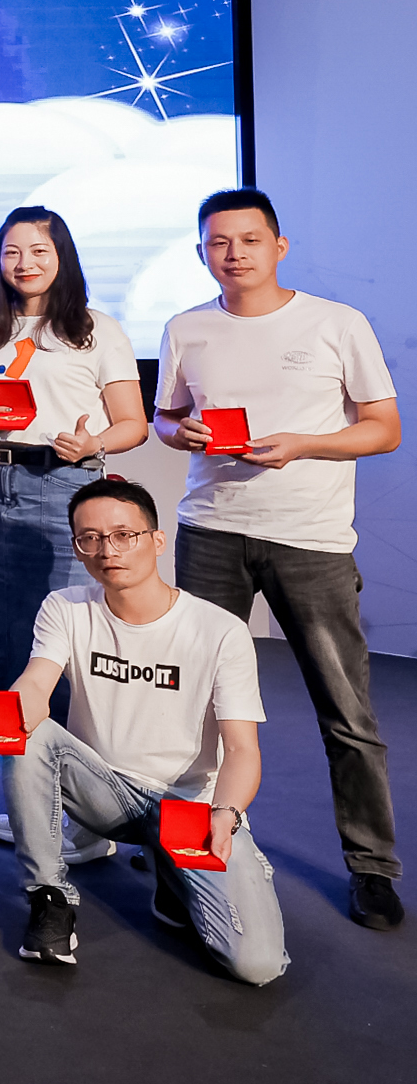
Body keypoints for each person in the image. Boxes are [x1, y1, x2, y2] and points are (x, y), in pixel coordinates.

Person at [156, 188, 403, 930]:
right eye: (218, 242)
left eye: (249, 239)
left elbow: (384, 428)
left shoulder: (336, 322)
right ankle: (188, 849)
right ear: (202, 251)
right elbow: (167, 416)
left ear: (279, 245)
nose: (234, 254)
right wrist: (178, 433)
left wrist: (303, 444)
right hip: (210, 530)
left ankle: (372, 867)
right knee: (195, 701)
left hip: (312, 538)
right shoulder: (186, 328)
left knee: (345, 709)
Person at [1, 479, 287, 983]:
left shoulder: (220, 630)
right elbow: (37, 679)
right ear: (77, 547)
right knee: (32, 735)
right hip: (106, 792)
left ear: (157, 540)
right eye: (90, 538)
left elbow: (243, 749)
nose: (107, 550)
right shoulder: (66, 607)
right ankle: (50, 898)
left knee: (256, 965)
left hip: (190, 807)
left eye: (123, 535)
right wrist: (16, 707)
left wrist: (226, 813)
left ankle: (172, 876)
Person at [0, 207, 147, 862]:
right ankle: (36, 800)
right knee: (5, 641)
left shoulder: (95, 329)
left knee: (65, 643)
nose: (25, 263)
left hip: (65, 485)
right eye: (12, 251)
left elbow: (133, 422)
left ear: (60, 255)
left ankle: (88, 817)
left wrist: (93, 443)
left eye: (38, 250)